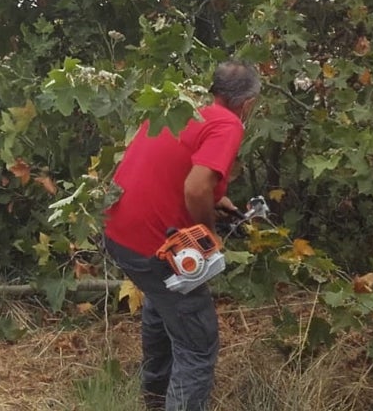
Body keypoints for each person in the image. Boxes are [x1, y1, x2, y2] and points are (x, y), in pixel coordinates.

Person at [103, 60, 261, 411]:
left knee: (161, 302)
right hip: (153, 246)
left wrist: (216, 199)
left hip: (118, 233)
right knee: (197, 345)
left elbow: (177, 170)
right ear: (247, 103)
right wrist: (207, 233)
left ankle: (155, 399)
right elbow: (194, 189)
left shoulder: (182, 109)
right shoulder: (229, 123)